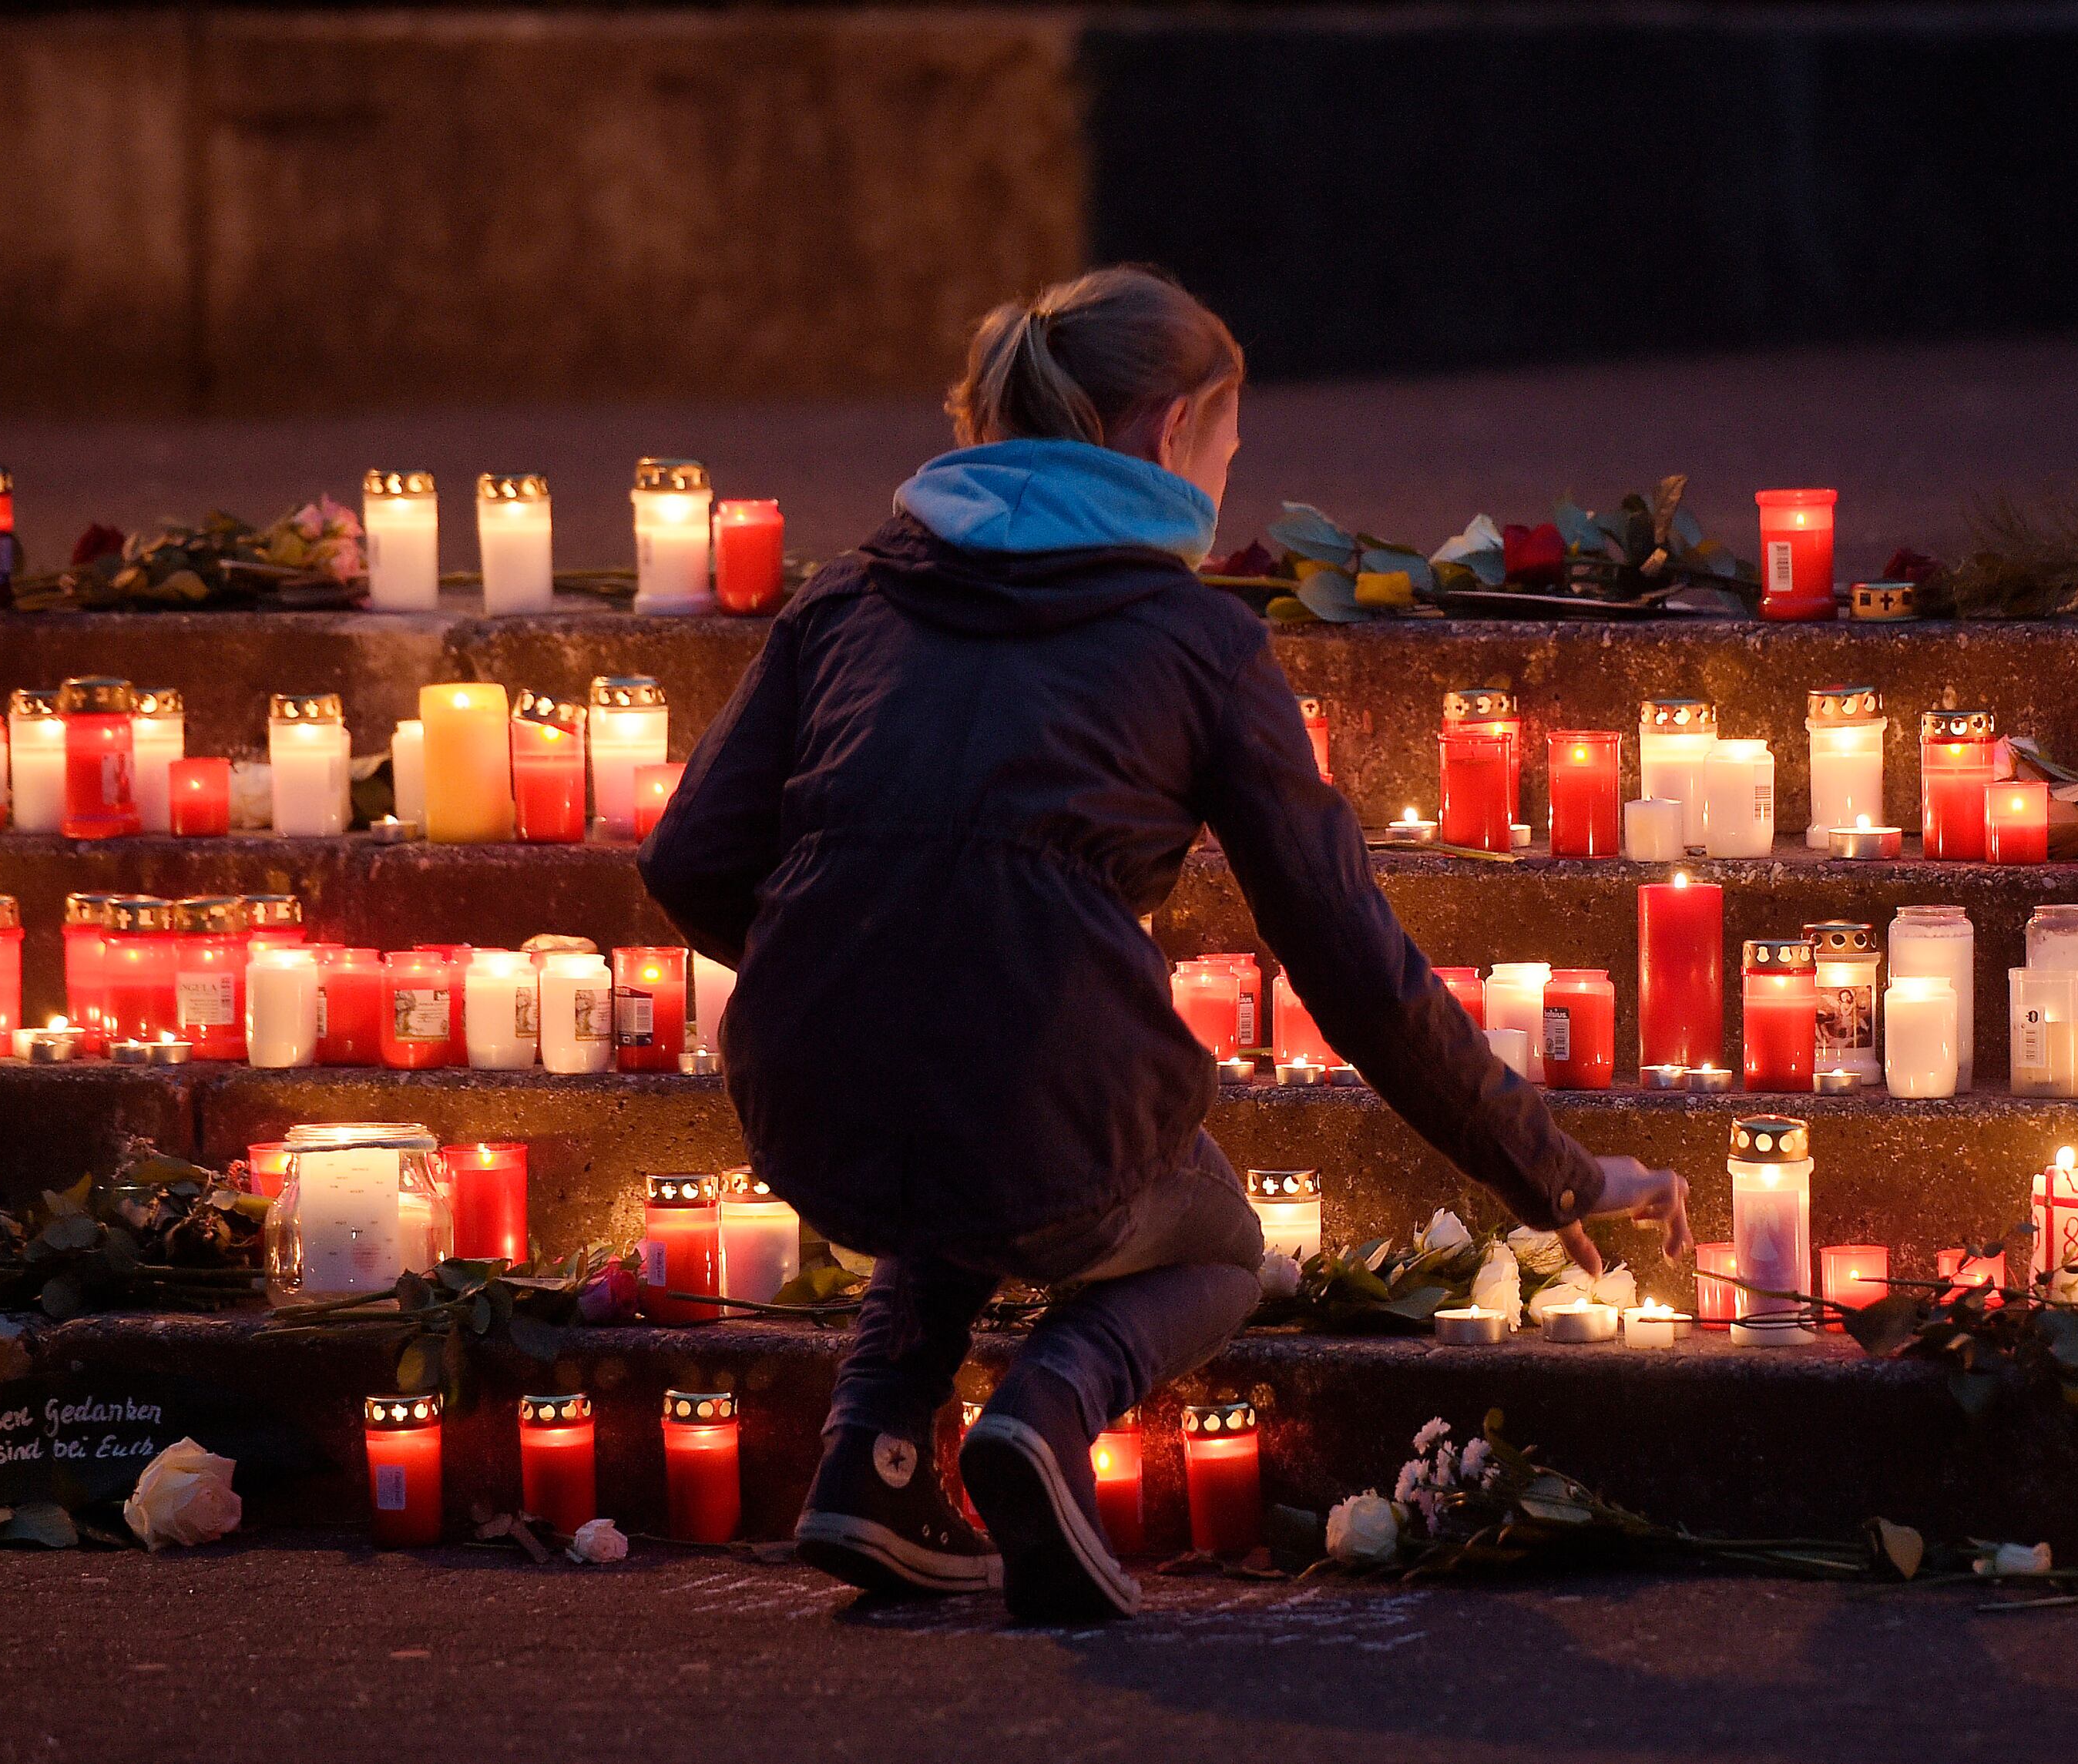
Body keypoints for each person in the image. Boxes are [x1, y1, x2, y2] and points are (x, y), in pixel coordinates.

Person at [639, 265, 1690, 1623]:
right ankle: (1046, 1412)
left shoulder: (848, 597)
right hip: (1029, 1123)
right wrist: (1553, 1172)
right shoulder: (1196, 639)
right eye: (1228, 452)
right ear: (1172, 427)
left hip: (805, 1112)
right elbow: (1349, 959)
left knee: (972, 1089)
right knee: (1220, 1242)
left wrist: (843, 963)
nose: (1225, 490)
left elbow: (686, 859)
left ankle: (873, 1453)